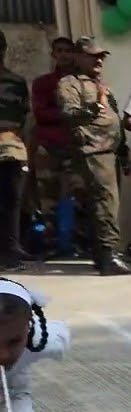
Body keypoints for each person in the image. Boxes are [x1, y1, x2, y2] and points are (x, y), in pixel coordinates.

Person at [56, 37, 131, 276]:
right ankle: (109, 255)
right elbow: (69, 113)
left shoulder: (99, 84)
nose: (99, 60)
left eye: (101, 56)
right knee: (105, 203)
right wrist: (97, 105)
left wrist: (124, 152)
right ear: (78, 57)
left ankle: (104, 254)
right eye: (93, 56)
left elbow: (115, 122)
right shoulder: (70, 83)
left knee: (108, 203)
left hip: (109, 150)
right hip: (93, 150)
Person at [0, 279, 68, 412]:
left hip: (11, 393)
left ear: (29, 326)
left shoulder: (44, 342)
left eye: (14, 341)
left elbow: (63, 333)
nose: (3, 355)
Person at [30, 36, 79, 256]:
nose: (64, 54)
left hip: (75, 146)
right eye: (59, 50)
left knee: (77, 196)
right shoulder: (43, 83)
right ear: (53, 54)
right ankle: (50, 243)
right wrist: (70, 115)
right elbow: (40, 113)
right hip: (48, 146)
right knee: (47, 199)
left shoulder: (83, 82)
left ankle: (77, 243)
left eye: (68, 50)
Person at [0, 30, 30, 270]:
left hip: (11, 145)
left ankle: (11, 251)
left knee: (12, 202)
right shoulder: (16, 81)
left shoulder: (16, 82)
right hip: (9, 142)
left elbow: (24, 115)